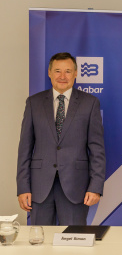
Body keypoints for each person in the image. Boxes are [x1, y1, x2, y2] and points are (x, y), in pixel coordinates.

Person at [17, 52, 106, 225]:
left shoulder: (90, 103)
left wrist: (96, 187)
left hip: (76, 187)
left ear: (76, 73)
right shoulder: (33, 103)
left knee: (73, 243)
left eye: (68, 71)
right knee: (40, 243)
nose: (62, 76)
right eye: (58, 71)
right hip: (39, 188)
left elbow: (97, 150)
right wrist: (23, 187)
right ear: (49, 73)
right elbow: (24, 150)